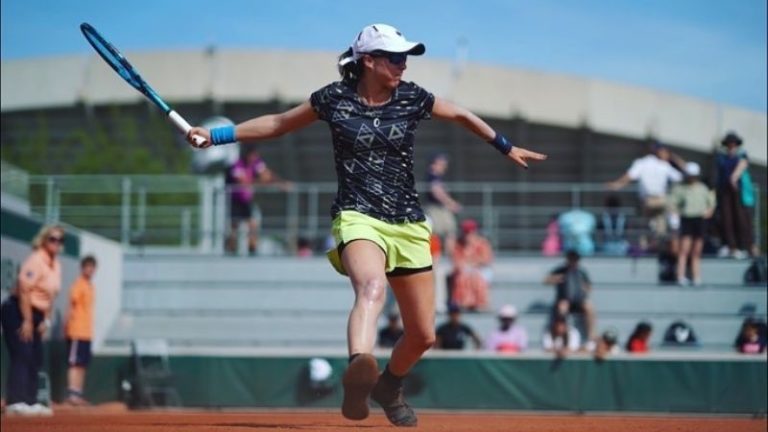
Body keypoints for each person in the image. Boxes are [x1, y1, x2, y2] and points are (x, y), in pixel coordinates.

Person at [185, 23, 546, 427]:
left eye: (405, 58)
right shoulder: (333, 98)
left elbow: (461, 114)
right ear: (369, 61)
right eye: (395, 58)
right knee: (371, 287)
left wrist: (505, 146)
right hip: (357, 215)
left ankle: (388, 386)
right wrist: (216, 136)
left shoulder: (412, 97)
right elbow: (279, 123)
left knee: (423, 335)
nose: (403, 65)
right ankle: (360, 368)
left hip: (408, 221)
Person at [0, 225, 64, 416]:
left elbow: (51, 296)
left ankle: (30, 400)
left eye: (60, 240)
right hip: (17, 310)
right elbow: (24, 289)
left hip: (38, 314)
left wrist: (47, 320)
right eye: (52, 239)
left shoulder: (56, 265)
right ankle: (15, 401)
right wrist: (27, 321)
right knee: (22, 353)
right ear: (44, 240)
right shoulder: (36, 260)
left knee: (36, 356)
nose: (56, 243)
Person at [606, 142, 683, 251]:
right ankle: (666, 238)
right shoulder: (663, 164)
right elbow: (681, 177)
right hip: (660, 200)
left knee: (653, 225)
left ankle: (651, 244)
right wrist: (673, 158)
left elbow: (629, 176)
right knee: (665, 222)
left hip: (648, 201)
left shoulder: (641, 163)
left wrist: (617, 184)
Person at [225, 146, 289, 255]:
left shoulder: (256, 163)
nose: (255, 158)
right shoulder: (238, 165)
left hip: (246, 200)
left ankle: (252, 249)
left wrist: (280, 183)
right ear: (248, 155)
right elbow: (243, 182)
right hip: (235, 200)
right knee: (234, 226)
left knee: (253, 224)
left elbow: (267, 174)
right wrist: (260, 181)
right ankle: (231, 249)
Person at [668, 162, 716, 286]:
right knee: (684, 250)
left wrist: (708, 212)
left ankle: (696, 277)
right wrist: (676, 213)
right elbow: (672, 203)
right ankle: (680, 276)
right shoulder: (680, 188)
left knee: (696, 251)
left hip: (700, 220)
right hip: (687, 219)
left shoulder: (702, 188)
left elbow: (711, 203)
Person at [715, 131, 754, 259]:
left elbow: (743, 164)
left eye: (733, 143)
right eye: (729, 143)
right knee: (726, 219)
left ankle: (743, 246)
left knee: (740, 218)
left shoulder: (742, 154)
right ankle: (730, 246)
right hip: (725, 191)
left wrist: (734, 177)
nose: (731, 145)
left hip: (738, 190)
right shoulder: (722, 156)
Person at [64, 255, 97, 406]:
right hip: (76, 330)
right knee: (74, 364)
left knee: (82, 364)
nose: (90, 270)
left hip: (87, 332)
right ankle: (72, 394)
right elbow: (71, 306)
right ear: (82, 268)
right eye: (87, 267)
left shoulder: (91, 286)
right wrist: (67, 325)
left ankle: (78, 393)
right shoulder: (78, 285)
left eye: (92, 267)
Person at [543, 250, 596, 341]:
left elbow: (589, 287)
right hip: (564, 300)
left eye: (575, 260)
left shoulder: (581, 272)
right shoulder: (561, 270)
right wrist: (555, 279)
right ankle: (562, 334)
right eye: (571, 259)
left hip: (579, 301)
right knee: (562, 308)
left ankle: (591, 335)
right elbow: (545, 280)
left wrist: (585, 287)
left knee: (590, 307)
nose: (573, 262)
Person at [450, 219, 493, 311]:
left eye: (470, 232)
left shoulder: (482, 242)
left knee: (476, 277)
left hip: (480, 268)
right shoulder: (459, 244)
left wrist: (473, 264)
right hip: (465, 269)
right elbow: (456, 260)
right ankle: (464, 303)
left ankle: (480, 303)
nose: (468, 235)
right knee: (462, 277)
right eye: (466, 232)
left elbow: (486, 259)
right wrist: (466, 265)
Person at [424, 154, 462, 255]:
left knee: (450, 232)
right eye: (441, 164)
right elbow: (437, 192)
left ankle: (449, 256)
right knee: (438, 234)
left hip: (441, 208)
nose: (444, 167)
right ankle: (440, 257)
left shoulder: (437, 177)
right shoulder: (433, 176)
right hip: (436, 209)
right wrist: (451, 203)